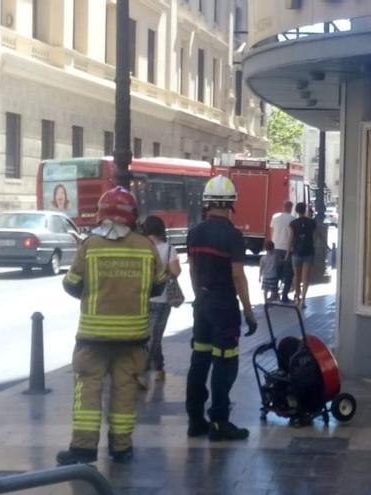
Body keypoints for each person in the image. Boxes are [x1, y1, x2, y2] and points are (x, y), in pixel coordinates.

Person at [57, 186, 168, 465]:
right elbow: (159, 286)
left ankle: (83, 449)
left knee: (89, 391)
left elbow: (71, 285)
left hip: (93, 337)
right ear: (132, 216)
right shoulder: (146, 247)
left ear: (102, 213)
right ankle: (121, 448)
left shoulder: (90, 246)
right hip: (133, 337)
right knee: (124, 393)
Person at [185, 175, 258, 441]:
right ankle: (219, 422)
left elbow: (192, 269)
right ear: (231, 204)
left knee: (200, 360)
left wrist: (199, 297)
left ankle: (195, 420)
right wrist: (249, 313)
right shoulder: (232, 235)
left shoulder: (195, 232)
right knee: (225, 362)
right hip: (224, 306)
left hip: (202, 303)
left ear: (207, 202)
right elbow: (238, 276)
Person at [143, 215, 181, 382]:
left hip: (143, 297)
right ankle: (151, 369)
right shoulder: (168, 249)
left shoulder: (140, 247)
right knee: (155, 336)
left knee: (149, 336)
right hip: (163, 298)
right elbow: (176, 272)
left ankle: (154, 368)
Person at [288, 202, 316, 308]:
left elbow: (291, 238)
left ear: (296, 210)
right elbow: (314, 235)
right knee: (306, 278)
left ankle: (297, 298)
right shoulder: (312, 222)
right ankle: (303, 299)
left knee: (296, 276)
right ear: (305, 210)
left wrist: (287, 252)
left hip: (296, 252)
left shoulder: (293, 223)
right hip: (308, 251)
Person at [269, 201, 295, 302]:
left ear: (283, 207)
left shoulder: (275, 217)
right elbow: (293, 236)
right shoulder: (293, 219)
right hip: (288, 249)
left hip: (276, 247)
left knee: (275, 272)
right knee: (288, 273)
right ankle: (284, 296)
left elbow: (272, 232)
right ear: (291, 208)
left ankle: (274, 294)